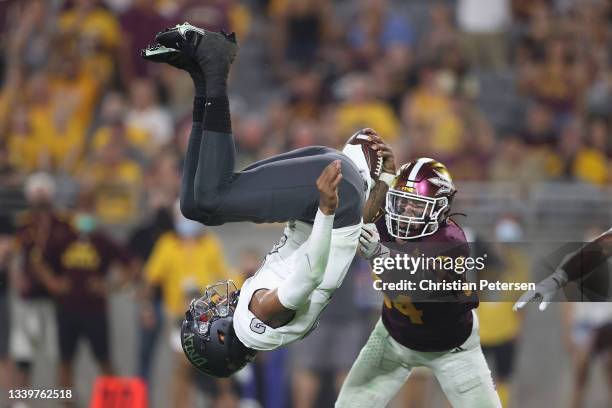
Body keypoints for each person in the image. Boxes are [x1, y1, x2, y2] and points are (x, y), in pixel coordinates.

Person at [141, 22, 395, 377]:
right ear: (219, 337)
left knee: (195, 205)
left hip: (334, 198)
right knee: (213, 200)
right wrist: (325, 209)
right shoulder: (255, 320)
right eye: (204, 321)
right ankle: (213, 65)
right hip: (326, 200)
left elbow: (341, 249)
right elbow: (310, 276)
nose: (206, 308)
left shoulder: (269, 328)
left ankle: (200, 74)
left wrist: (382, 184)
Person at [336, 158, 501, 407]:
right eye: (401, 202)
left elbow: (424, 283)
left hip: (451, 345)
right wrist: (382, 183)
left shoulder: (450, 240)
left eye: (415, 206)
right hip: (393, 336)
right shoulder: (387, 222)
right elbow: (359, 228)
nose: (404, 213)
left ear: (440, 209)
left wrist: (381, 254)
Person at [42, 190, 135, 398]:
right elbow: (41, 262)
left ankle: (116, 401)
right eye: (81, 207)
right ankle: (67, 402)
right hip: (66, 309)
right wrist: (53, 283)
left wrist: (110, 286)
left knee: (104, 360)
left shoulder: (101, 240)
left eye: (88, 207)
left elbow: (131, 265)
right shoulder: (63, 238)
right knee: (65, 361)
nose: (84, 213)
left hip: (94, 310)